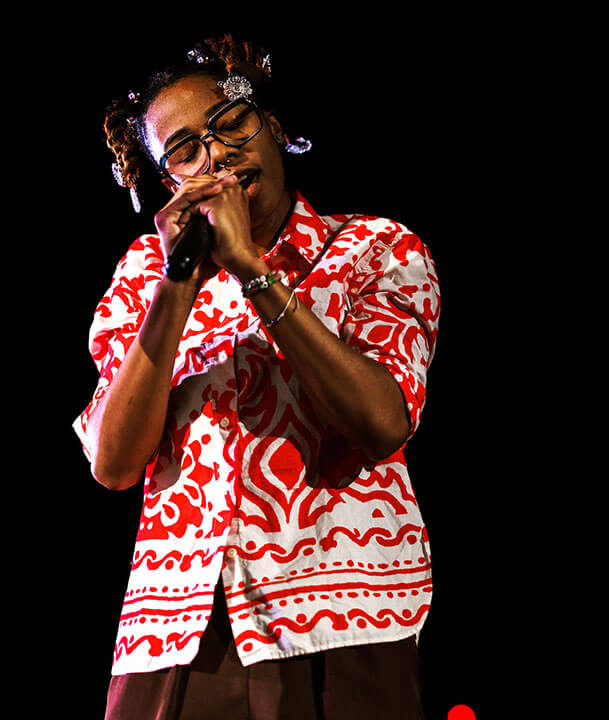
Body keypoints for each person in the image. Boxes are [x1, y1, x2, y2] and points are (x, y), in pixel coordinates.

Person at [72, 34, 439, 720]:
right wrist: (179, 284)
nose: (215, 153)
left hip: (342, 621)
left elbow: (383, 423)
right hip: (176, 635)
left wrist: (253, 273)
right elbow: (114, 463)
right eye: (184, 149)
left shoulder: (374, 247)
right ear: (168, 180)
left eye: (230, 122)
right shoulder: (145, 275)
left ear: (271, 124)